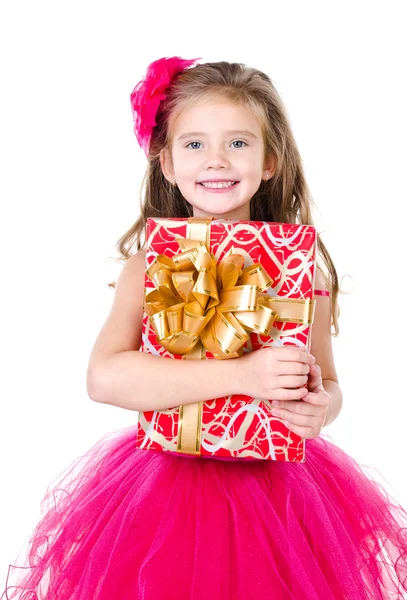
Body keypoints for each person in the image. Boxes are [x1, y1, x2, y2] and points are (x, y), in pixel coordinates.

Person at [2, 56, 407, 600]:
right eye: (194, 144)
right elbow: (104, 378)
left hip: (278, 498)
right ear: (165, 163)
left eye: (239, 143)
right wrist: (245, 374)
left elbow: (327, 383)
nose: (216, 159)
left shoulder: (299, 268)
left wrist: (320, 408)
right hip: (165, 491)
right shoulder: (149, 265)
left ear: (270, 161)